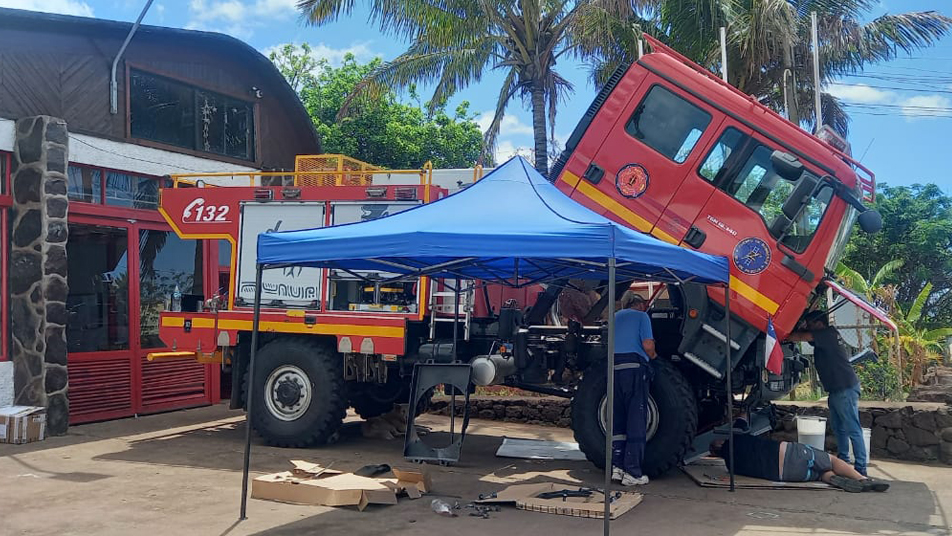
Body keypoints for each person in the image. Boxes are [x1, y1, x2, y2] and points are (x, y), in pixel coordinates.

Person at [787, 311, 867, 476]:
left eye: (810, 323)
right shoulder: (826, 337)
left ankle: (860, 468)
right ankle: (844, 461)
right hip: (838, 389)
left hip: (844, 388)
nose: (808, 327)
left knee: (852, 428)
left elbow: (800, 337)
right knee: (840, 429)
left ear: (818, 324)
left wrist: (791, 330)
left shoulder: (827, 334)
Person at [709, 434, 888, 492]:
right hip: (790, 454)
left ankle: (835, 480)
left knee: (820, 474)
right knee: (832, 460)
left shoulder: (731, 466)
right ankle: (862, 479)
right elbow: (744, 424)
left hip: (786, 475)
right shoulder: (737, 438)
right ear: (720, 443)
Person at [611, 291, 657, 486]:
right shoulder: (642, 316)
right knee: (636, 420)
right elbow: (647, 345)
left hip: (614, 370)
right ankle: (633, 472)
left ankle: (617, 467)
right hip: (634, 370)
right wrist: (654, 357)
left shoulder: (614, 317)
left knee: (618, 420)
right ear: (640, 304)